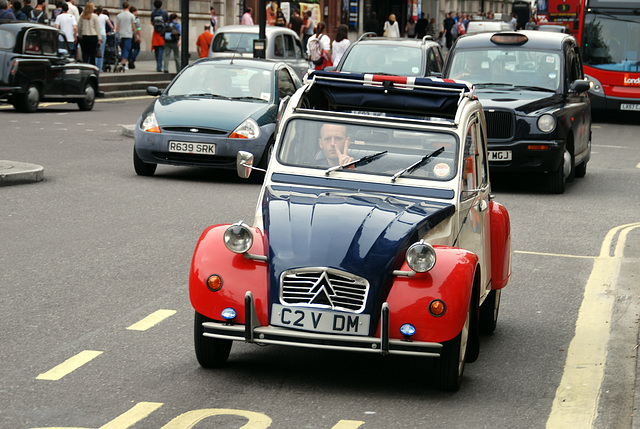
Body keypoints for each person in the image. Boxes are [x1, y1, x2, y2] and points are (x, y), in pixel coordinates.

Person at [116, 1, 136, 70]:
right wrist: (136, 35)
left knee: (122, 48)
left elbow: (117, 27)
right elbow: (133, 27)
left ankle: (122, 61)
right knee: (126, 49)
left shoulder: (119, 15)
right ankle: (124, 63)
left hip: (121, 34)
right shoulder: (131, 16)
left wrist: (117, 33)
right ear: (128, 7)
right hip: (128, 34)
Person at [150, 0, 168, 73]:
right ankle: (159, 66)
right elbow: (167, 21)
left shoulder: (153, 13)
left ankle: (158, 65)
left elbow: (152, 22)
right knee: (161, 50)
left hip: (155, 33)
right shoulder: (164, 13)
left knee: (156, 50)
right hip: (162, 33)